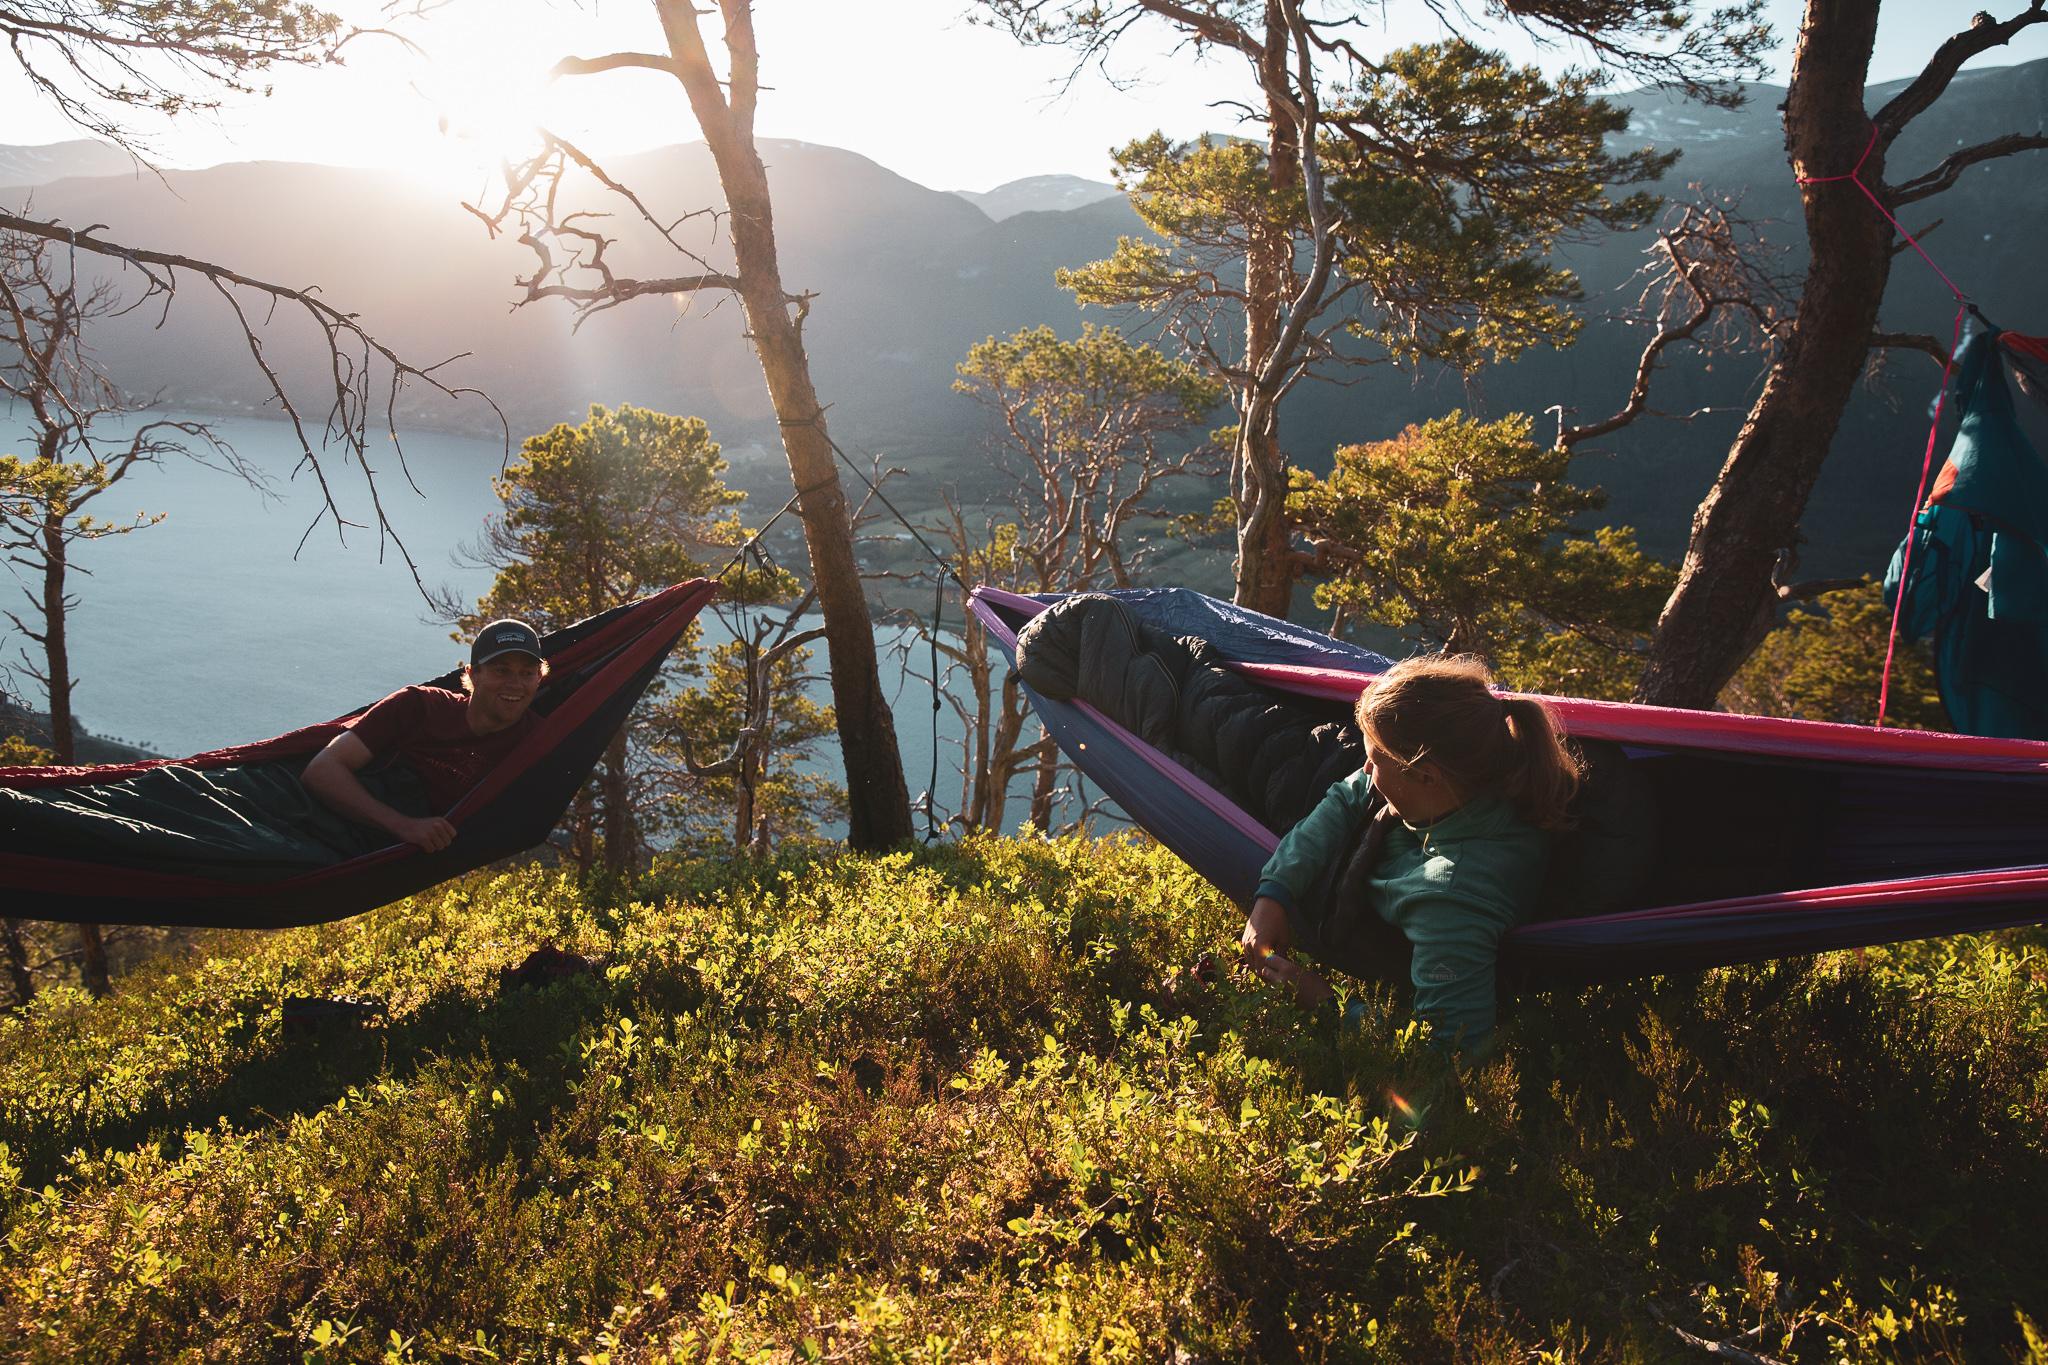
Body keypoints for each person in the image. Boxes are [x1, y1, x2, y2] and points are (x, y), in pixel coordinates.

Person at [1241, 654, 1581, 1054]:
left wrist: (1322, 999)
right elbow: (1349, 794)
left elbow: (1449, 1050)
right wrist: (1274, 892)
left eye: (1375, 759)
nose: (1365, 768)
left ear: (1424, 774)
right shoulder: (1476, 771)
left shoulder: (1450, 899)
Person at [301, 620, 550, 852]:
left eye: (527, 673)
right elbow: (322, 770)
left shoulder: (539, 742)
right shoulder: (418, 707)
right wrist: (404, 826)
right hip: (316, 826)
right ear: (473, 674)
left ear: (540, 677)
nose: (515, 684)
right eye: (501, 670)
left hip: (387, 860)